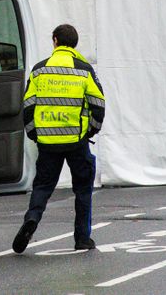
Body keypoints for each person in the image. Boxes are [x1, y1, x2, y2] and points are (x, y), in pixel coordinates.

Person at [12, 24, 105, 253]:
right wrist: (90, 131)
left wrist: (35, 133)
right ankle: (82, 238)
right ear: (75, 43)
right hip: (76, 141)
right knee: (82, 189)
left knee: (42, 187)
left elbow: (27, 106)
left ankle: (32, 218)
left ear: (54, 41)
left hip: (47, 143)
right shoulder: (84, 70)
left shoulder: (39, 70)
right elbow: (99, 105)